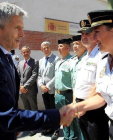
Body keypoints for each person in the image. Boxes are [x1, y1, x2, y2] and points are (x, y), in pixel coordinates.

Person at [0, 2, 74, 140]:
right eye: (17, 28)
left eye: (22, 28)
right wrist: (58, 116)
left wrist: (15, 126)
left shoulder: (7, 58)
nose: (22, 34)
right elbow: (7, 117)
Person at [64, 10, 113, 140]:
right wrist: (74, 108)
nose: (94, 38)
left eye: (97, 32)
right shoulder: (106, 61)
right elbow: (101, 96)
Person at [71, 19, 109, 140]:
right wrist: (74, 102)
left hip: (94, 109)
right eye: (82, 34)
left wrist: (83, 106)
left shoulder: (101, 55)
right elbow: (78, 85)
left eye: (87, 33)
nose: (84, 36)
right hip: (81, 106)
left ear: (96, 36)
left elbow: (99, 84)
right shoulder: (84, 58)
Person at [53, 38, 80, 140]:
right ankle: (66, 136)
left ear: (67, 48)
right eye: (58, 46)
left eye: (61, 46)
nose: (58, 48)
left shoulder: (72, 61)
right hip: (58, 95)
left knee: (71, 119)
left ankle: (73, 138)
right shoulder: (58, 61)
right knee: (62, 118)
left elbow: (74, 81)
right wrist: (56, 92)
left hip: (68, 95)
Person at [38, 41, 60, 136]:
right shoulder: (41, 60)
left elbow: (57, 75)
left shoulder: (56, 59)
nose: (46, 49)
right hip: (44, 90)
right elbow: (39, 75)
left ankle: (56, 130)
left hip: (52, 90)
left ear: (50, 48)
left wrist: (48, 86)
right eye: (44, 48)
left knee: (54, 110)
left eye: (47, 47)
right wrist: (41, 85)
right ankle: (50, 127)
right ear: (42, 49)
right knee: (48, 110)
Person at [18, 46, 39, 136]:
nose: (25, 53)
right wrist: (20, 86)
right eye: (24, 52)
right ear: (21, 53)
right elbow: (18, 75)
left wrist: (25, 86)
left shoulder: (34, 62)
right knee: (26, 109)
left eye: (27, 51)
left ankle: (35, 127)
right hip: (22, 91)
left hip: (30, 90)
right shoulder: (20, 63)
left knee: (33, 109)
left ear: (30, 52)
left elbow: (34, 75)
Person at [70, 35, 87, 140]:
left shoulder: (88, 58)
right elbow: (74, 83)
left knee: (87, 130)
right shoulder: (74, 60)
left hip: (87, 99)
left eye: (77, 43)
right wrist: (74, 100)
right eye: (73, 44)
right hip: (76, 97)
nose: (74, 46)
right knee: (80, 127)